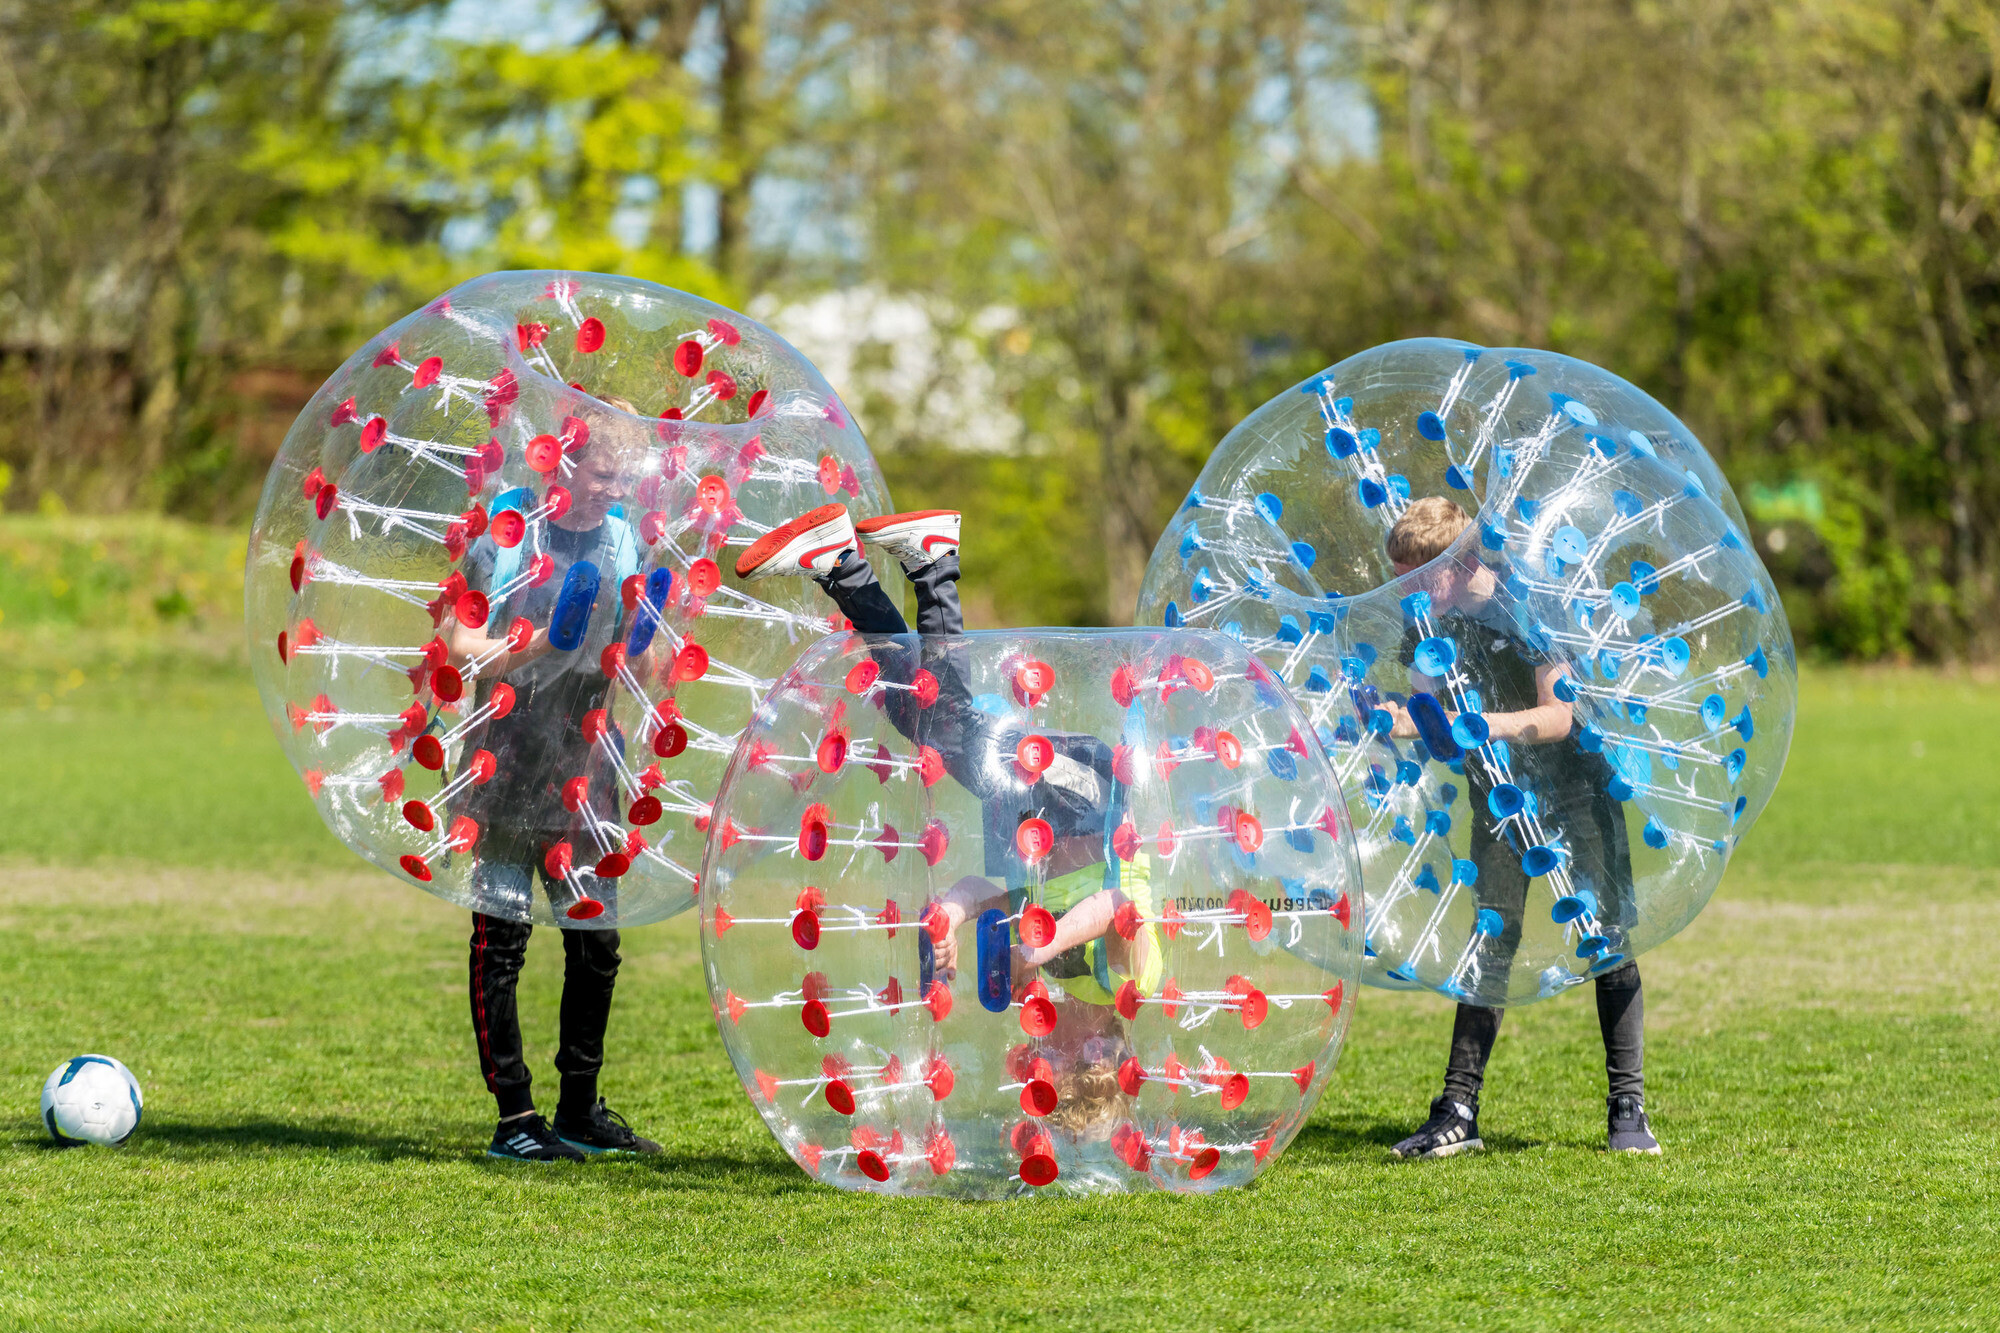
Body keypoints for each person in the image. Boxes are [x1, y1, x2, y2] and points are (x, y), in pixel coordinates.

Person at [735, 504, 1156, 1142]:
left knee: (929, 712)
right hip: (1087, 802)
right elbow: (1112, 904)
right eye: (1068, 1060)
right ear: (1107, 1050)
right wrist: (1038, 947)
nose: (1045, 1048)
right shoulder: (1125, 981)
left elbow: (991, 891)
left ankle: (905, 566)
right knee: (942, 722)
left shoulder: (1056, 977)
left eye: (1045, 1065)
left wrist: (952, 918)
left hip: (1032, 819)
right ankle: (880, 567)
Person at [1377, 496, 1658, 1158]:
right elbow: (1430, 714)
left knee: (1604, 935)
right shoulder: (1427, 621)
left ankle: (1628, 1105)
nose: (1406, 592)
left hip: (1574, 787)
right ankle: (1457, 1108)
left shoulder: (1531, 604)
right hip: (1498, 794)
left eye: (1417, 577)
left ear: (1460, 563)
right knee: (1490, 939)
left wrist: (1482, 725)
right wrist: (1400, 720)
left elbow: (1559, 715)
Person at [446, 397, 660, 1162]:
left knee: (596, 941)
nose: (613, 489)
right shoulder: (505, 540)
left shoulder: (621, 541)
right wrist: (536, 643)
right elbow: (456, 642)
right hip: (507, 746)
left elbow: (639, 667)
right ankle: (515, 1118)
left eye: (623, 477)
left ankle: (578, 1110)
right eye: (603, 473)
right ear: (561, 461)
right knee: (501, 938)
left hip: (587, 751)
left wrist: (642, 643)